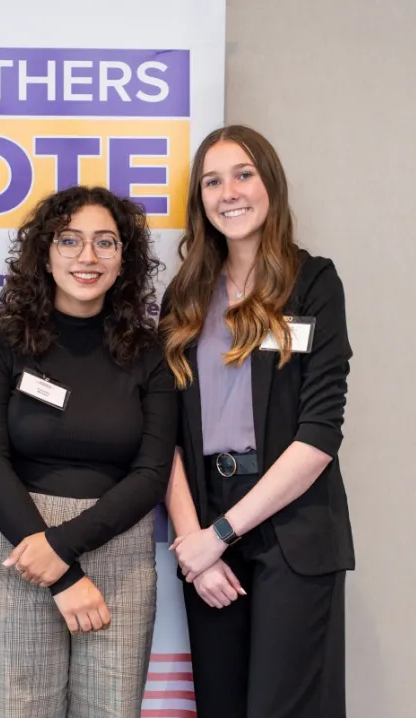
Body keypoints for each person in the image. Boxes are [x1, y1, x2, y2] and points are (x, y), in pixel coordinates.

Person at [160, 125, 354, 718]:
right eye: (212, 181)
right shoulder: (185, 296)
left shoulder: (313, 282)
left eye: (243, 174)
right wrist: (197, 542)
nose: (229, 192)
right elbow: (161, 431)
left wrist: (223, 533)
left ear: (270, 183)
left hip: (290, 524)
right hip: (207, 516)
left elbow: (319, 434)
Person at [0, 185, 176, 718]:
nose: (88, 257)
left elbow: (152, 474)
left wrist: (63, 547)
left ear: (124, 257)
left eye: (105, 242)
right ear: (45, 251)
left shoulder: (150, 351)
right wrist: (55, 566)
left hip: (119, 552)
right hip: (20, 548)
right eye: (70, 240)